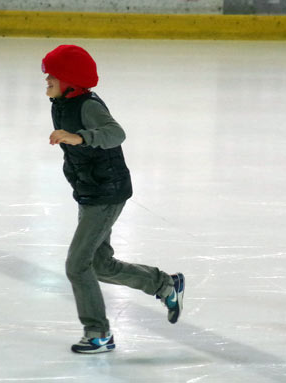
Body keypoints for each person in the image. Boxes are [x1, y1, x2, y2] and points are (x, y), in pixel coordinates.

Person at [41, 45, 185, 354]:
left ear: (72, 81)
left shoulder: (88, 105)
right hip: (90, 190)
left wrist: (80, 137)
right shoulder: (61, 103)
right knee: (100, 265)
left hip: (106, 193)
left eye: (53, 75)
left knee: (77, 265)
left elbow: (115, 133)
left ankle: (98, 333)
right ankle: (163, 284)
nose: (47, 79)